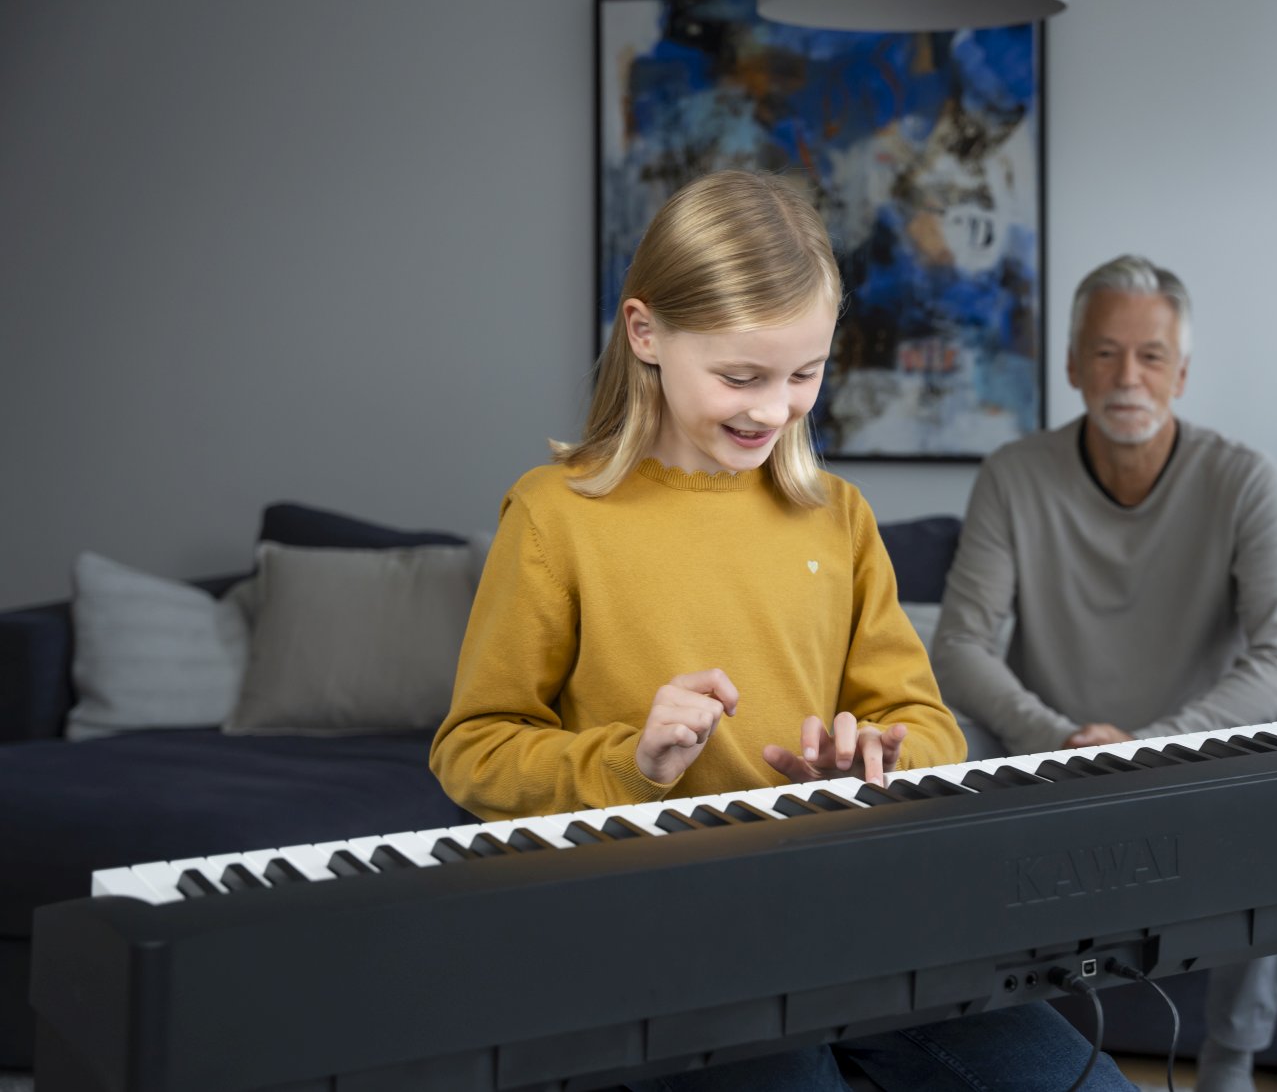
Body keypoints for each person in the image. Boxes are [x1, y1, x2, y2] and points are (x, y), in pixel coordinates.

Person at [430, 170, 1138, 1092]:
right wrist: (626, 765)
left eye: (804, 374)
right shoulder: (556, 516)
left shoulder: (835, 516)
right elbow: (473, 748)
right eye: (741, 376)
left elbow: (929, 725)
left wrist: (879, 753)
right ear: (645, 333)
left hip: (847, 917)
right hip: (654, 935)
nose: (774, 408)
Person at [930, 254, 1277, 1092]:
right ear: (1070, 366)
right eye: (1104, 353)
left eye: (1149, 355)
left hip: (1190, 763)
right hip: (1046, 760)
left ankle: (1229, 1067)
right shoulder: (1012, 474)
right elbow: (957, 646)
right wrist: (1061, 739)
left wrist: (1145, 747)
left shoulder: (1244, 478)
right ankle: (971, 1048)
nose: (1126, 376)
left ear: (1181, 372)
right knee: (941, 742)